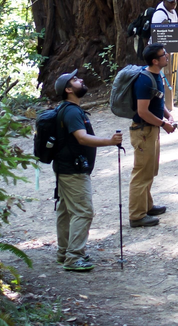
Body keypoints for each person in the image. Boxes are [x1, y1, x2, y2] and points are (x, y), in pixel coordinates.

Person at [51, 70, 124, 271]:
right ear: (68, 89)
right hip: (73, 170)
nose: (80, 80)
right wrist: (109, 142)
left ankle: (64, 252)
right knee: (83, 211)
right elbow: (81, 138)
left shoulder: (67, 109)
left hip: (65, 167)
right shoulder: (72, 111)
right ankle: (74, 257)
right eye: (75, 80)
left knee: (66, 211)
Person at [129, 43, 177, 227]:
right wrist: (164, 124)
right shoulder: (145, 79)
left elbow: (157, 100)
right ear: (155, 61)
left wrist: (167, 114)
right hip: (143, 131)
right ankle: (136, 215)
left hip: (151, 130)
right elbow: (142, 111)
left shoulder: (157, 75)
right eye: (163, 55)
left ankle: (147, 206)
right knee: (141, 172)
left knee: (150, 170)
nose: (167, 56)